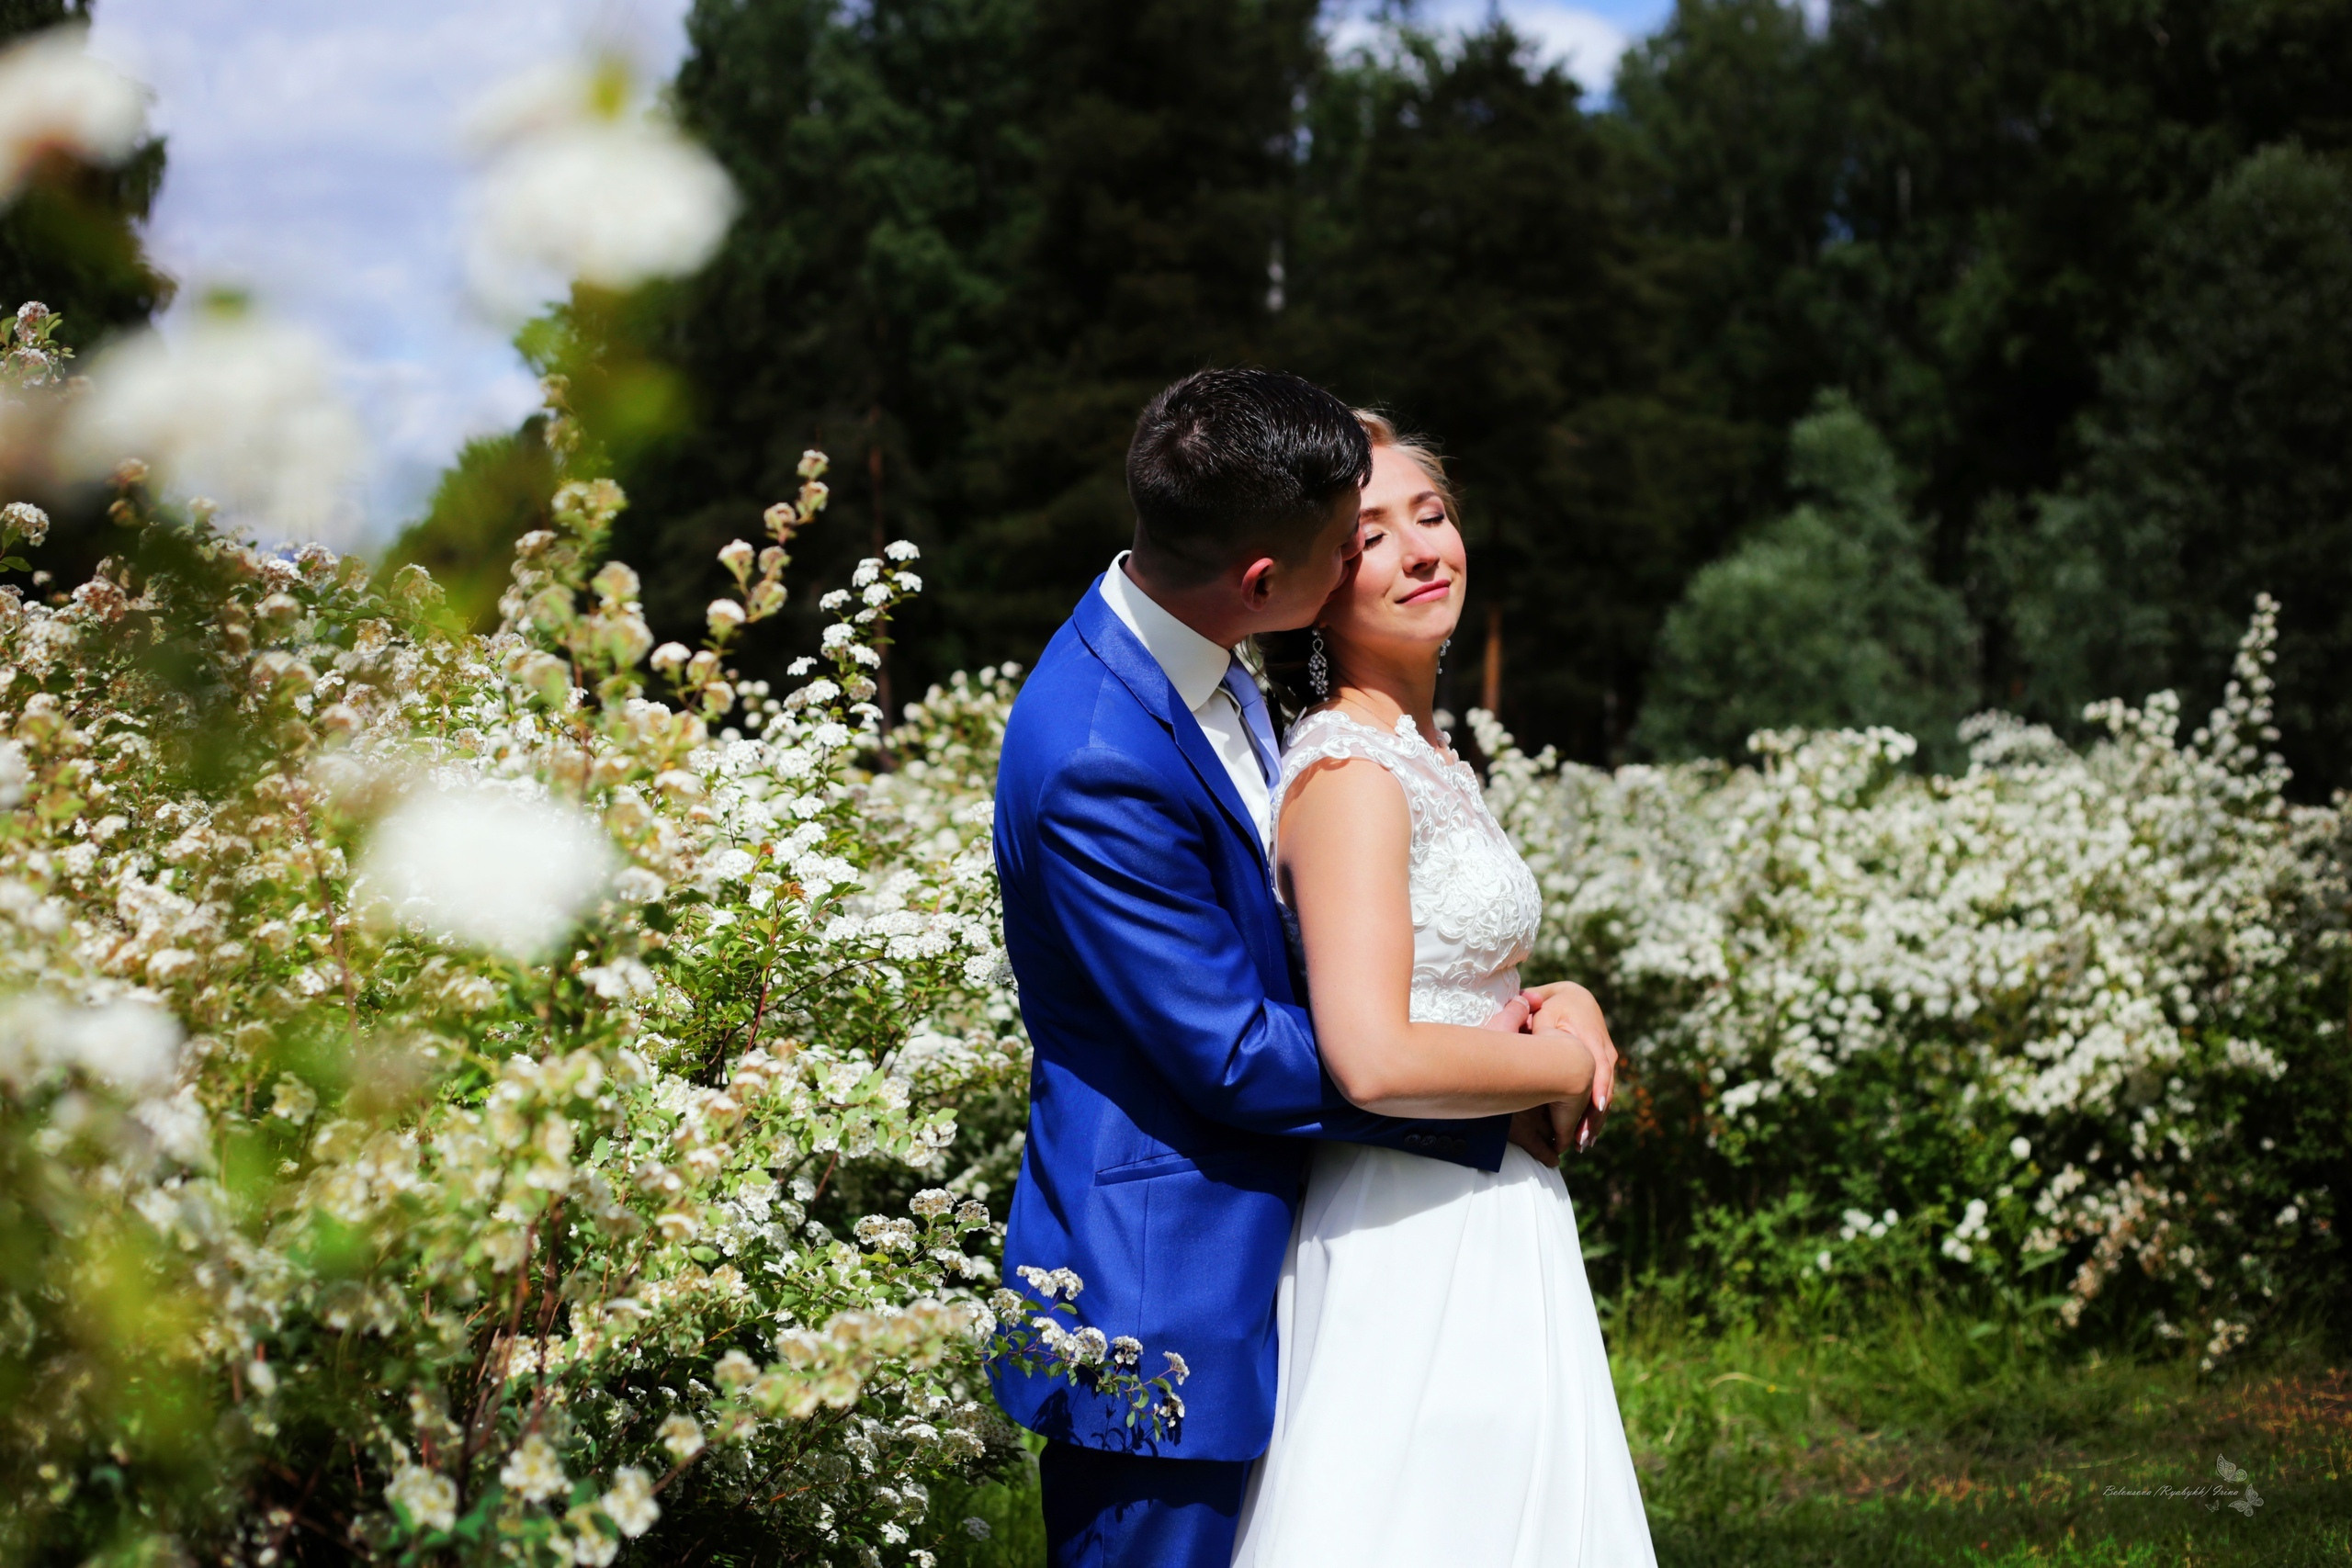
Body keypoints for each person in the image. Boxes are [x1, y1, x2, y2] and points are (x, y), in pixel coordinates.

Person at [989, 370, 1608, 1567]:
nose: (1391, 554)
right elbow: (1235, 1045)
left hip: (1284, 1241)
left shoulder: (1213, 667)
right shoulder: (1092, 751)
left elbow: (1337, 947)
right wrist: (1509, 1081)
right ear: (1274, 582)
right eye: (1351, 540)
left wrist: (1528, 1012)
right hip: (1161, 1286)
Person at [1229, 412, 1657, 1566]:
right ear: (1314, 582)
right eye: (1372, 535)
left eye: (1433, 515)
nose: (1424, 551)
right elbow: (1372, 1051)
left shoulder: (1421, 751)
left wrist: (1565, 994)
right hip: (1411, 1234)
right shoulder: (1350, 770)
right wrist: (1567, 1066)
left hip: (1493, 1213)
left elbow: (1450, 976)